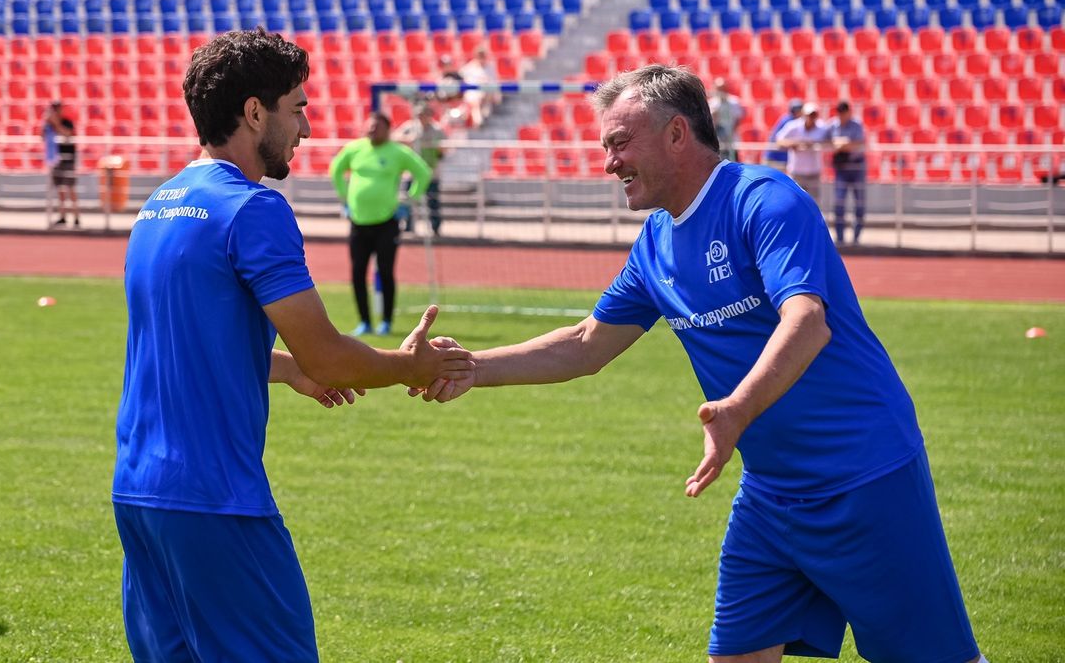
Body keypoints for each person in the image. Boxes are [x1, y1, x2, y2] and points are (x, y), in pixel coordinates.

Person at [415, 65, 986, 663]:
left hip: (863, 477)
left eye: (619, 142)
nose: (609, 162)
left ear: (677, 134)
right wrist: (473, 366)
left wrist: (736, 410)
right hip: (770, 493)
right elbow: (587, 343)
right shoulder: (656, 240)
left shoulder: (764, 200)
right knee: (735, 656)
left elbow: (807, 321)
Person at [113, 29, 472, 663]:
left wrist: (283, 371)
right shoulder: (253, 208)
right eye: (298, 107)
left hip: (140, 493)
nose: (305, 127)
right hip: (216, 499)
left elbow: (186, 345)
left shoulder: (157, 205)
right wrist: (408, 364)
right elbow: (330, 355)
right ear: (255, 112)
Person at [330, 111, 432, 336]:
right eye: (369, 126)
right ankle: (365, 322)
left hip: (387, 223)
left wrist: (408, 201)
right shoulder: (354, 149)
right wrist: (344, 198)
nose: (371, 130)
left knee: (385, 272)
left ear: (387, 129)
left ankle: (386, 321)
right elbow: (336, 170)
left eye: (376, 127)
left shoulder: (398, 152)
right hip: (358, 222)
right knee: (358, 273)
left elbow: (423, 173)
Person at [394, 101, 447, 236]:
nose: (422, 117)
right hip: (412, 172)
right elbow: (394, 138)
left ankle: (435, 228)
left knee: (433, 201)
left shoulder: (437, 130)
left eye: (424, 114)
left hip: (431, 172)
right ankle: (408, 226)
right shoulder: (409, 127)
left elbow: (445, 148)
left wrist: (437, 147)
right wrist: (408, 139)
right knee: (409, 199)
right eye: (420, 114)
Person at [828, 100, 867, 246]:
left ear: (849, 112)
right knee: (839, 203)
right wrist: (841, 144)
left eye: (844, 112)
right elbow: (826, 140)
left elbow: (858, 143)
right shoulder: (833, 125)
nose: (841, 116)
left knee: (860, 203)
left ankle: (856, 237)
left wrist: (841, 144)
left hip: (857, 167)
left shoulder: (856, 124)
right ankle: (840, 238)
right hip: (842, 168)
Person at [775, 102, 828, 201]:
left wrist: (814, 144)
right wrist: (795, 144)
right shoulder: (793, 126)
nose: (811, 118)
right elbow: (779, 141)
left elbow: (829, 142)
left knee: (813, 202)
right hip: (797, 171)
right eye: (809, 115)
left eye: (813, 115)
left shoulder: (822, 128)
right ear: (804, 114)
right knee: (796, 200)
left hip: (813, 171)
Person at [41, 102, 80, 228]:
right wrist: (46, 124)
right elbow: (43, 138)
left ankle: (76, 217)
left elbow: (68, 134)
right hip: (57, 160)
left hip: (68, 159)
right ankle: (63, 216)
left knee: (71, 188)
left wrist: (56, 123)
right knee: (60, 189)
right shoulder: (49, 126)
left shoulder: (66, 122)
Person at [458, 46, 498, 126]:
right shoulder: (469, 68)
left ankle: (481, 119)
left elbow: (494, 82)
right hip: (472, 94)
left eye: (483, 55)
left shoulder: (490, 67)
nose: (481, 58)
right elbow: (460, 78)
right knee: (476, 101)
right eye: (479, 55)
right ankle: (478, 121)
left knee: (487, 93)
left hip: (487, 94)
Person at [708, 77, 743, 162]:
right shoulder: (712, 104)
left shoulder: (734, 102)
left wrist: (730, 132)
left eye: (722, 88)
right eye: (719, 89)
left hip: (731, 139)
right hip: (718, 140)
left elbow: (738, 119)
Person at [763, 98, 803, 171]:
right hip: (775, 158)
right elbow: (778, 139)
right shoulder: (789, 121)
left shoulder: (792, 120)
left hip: (781, 158)